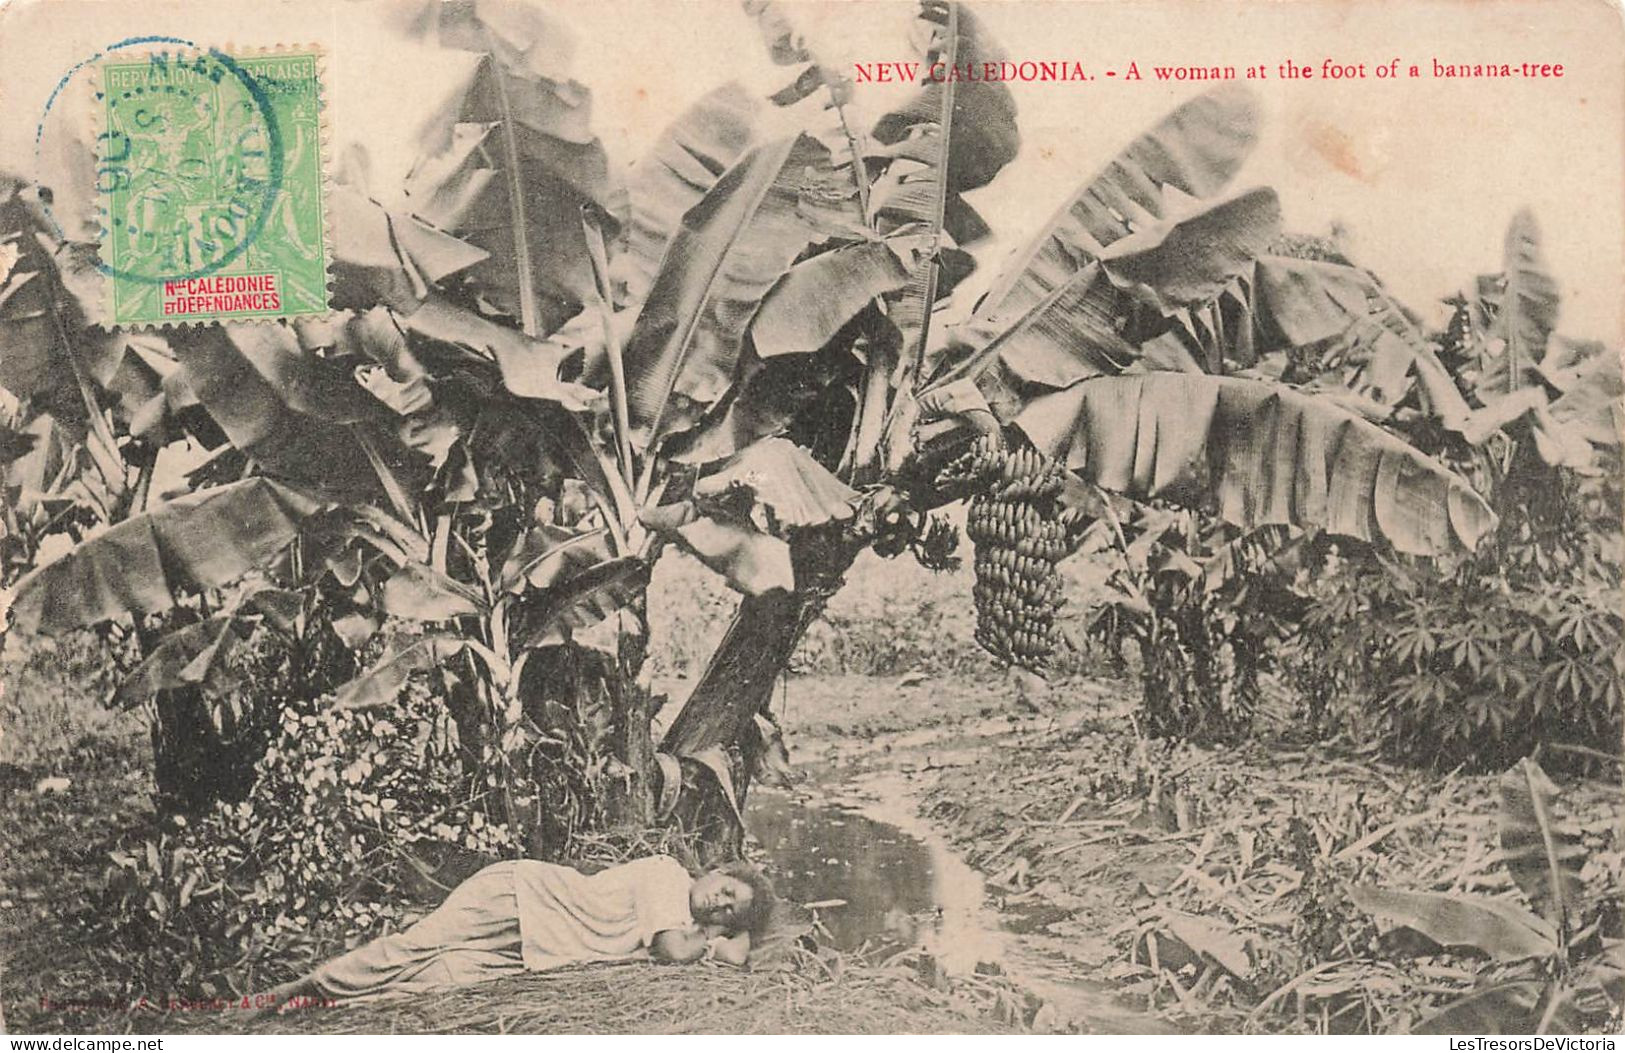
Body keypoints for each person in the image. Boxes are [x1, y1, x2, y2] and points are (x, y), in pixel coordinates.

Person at [254, 855, 773, 1009]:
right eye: (726, 891)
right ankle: (290, 992)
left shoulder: (684, 920)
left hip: (539, 943)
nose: (719, 904)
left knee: (439, 976)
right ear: (716, 871)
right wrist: (718, 939)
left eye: (729, 912)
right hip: (521, 897)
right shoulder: (669, 877)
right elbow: (672, 952)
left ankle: (321, 1006)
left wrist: (719, 936)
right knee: (417, 946)